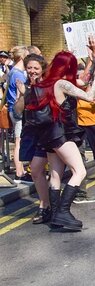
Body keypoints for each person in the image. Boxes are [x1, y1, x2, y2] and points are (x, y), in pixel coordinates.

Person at [22, 46, 95, 231]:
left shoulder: (44, 83)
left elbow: (81, 81)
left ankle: (55, 214)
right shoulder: (61, 84)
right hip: (59, 135)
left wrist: (93, 61)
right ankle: (63, 212)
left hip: (47, 136)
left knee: (55, 175)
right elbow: (89, 96)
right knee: (80, 171)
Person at [14, 53, 50, 224]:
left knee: (37, 169)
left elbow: (43, 106)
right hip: (31, 133)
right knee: (36, 171)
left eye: (36, 68)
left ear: (42, 69)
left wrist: (29, 92)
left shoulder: (46, 85)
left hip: (47, 133)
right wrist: (22, 95)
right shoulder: (24, 85)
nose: (32, 71)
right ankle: (47, 204)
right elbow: (18, 110)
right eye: (29, 68)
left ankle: (46, 205)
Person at [8, 46, 30, 184]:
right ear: (22, 57)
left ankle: (20, 171)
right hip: (18, 110)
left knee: (18, 141)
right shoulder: (19, 74)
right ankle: (19, 172)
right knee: (18, 142)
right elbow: (20, 94)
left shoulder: (12, 71)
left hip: (13, 109)